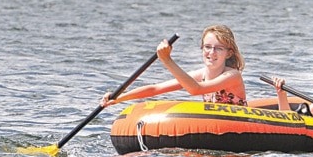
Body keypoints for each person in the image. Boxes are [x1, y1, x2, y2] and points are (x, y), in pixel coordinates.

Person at [102, 24, 247, 107]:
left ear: (229, 53)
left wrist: (167, 60)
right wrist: (119, 98)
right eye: (207, 47)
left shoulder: (232, 75)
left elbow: (196, 89)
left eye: (219, 48)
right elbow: (155, 89)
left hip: (240, 125)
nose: (211, 52)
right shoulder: (200, 75)